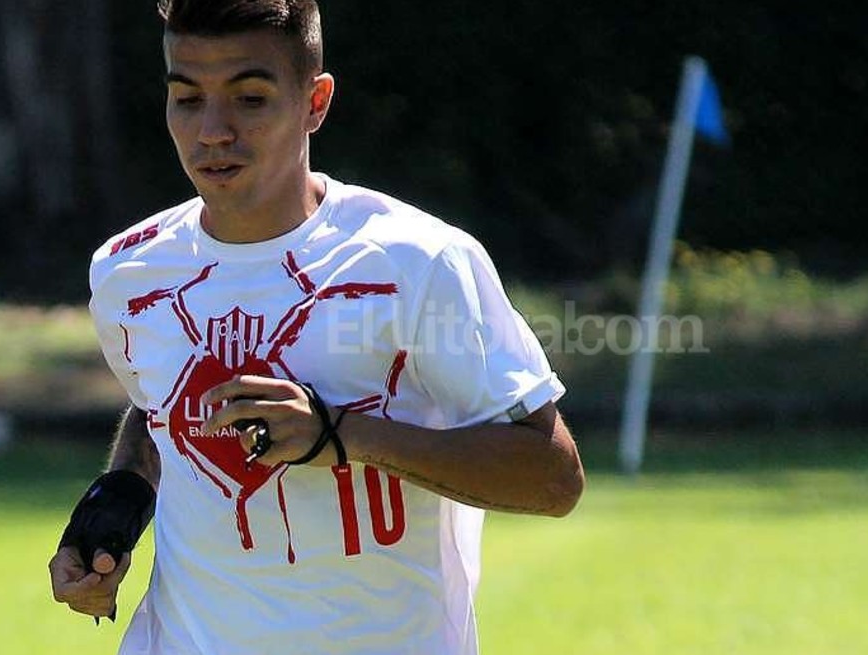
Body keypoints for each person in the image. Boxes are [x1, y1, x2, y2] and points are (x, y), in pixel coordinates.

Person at [46, 1, 585, 653]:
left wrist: (343, 434)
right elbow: (157, 410)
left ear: (315, 101)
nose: (212, 130)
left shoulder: (418, 262)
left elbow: (552, 476)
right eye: (187, 99)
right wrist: (122, 497)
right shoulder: (128, 271)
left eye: (249, 97)